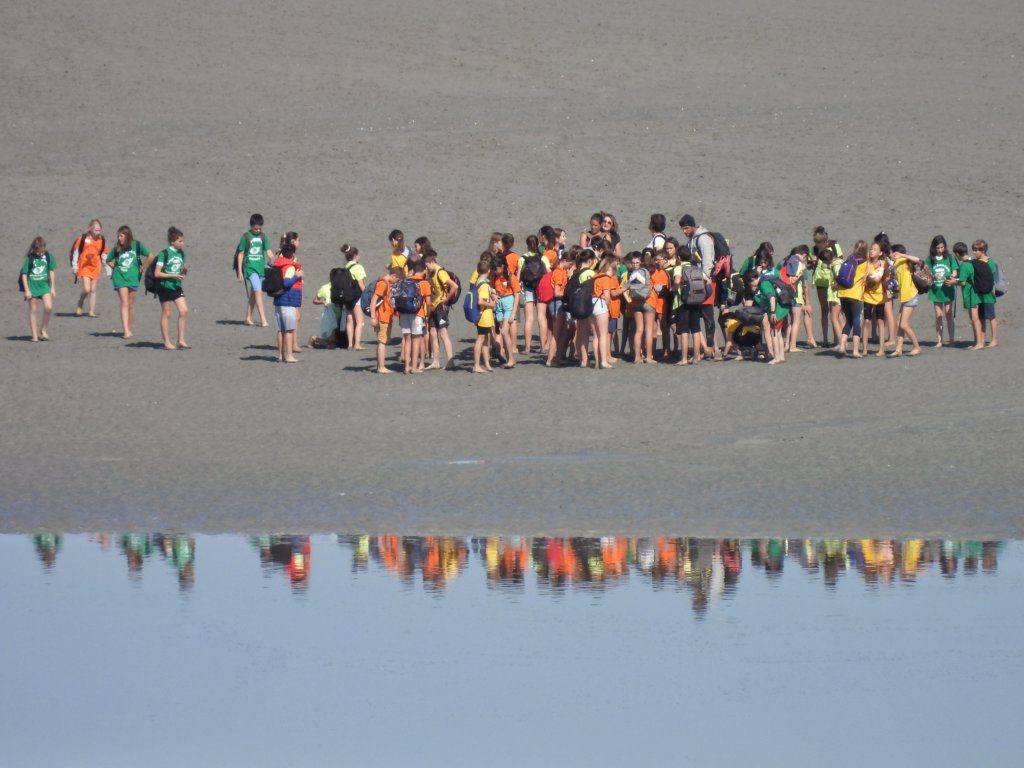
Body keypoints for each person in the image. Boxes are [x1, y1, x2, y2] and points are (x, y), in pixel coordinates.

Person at [679, 215, 718, 355]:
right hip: (696, 281)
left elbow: (708, 261)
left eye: (686, 228)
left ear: (692, 226)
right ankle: (705, 349)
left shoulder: (703, 239)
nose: (684, 231)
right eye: (682, 229)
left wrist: (705, 278)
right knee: (698, 314)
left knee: (708, 315)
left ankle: (712, 347)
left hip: (706, 281)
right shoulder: (693, 239)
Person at [106, 226, 149, 339]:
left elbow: (151, 256)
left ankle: (129, 329)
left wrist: (142, 267)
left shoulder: (137, 245)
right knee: (124, 303)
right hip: (120, 277)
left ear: (127, 235)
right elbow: (108, 260)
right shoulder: (117, 247)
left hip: (133, 278)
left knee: (130, 304)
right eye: (118, 236)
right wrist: (115, 267)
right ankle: (125, 330)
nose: (119, 238)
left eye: (121, 236)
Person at [153, 226, 190, 350]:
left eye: (182, 240)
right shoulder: (164, 253)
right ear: (172, 242)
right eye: (180, 241)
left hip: (176, 286)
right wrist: (173, 275)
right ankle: (167, 342)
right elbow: (157, 273)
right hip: (164, 286)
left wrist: (183, 272)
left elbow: (181, 272)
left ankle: (181, 340)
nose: (182, 243)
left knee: (184, 310)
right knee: (167, 313)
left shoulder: (181, 254)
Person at [235, 213, 273, 327]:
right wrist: (240, 272)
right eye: (256, 228)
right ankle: (263, 319)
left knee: (254, 293)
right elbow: (241, 254)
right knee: (258, 291)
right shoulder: (246, 237)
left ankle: (248, 317)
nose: (257, 230)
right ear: (251, 226)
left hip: (261, 268)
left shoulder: (263, 237)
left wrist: (276, 259)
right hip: (250, 268)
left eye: (260, 228)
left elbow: (269, 252)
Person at [424, 250, 458, 370]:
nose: (426, 267)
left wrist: (446, 299)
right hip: (432, 306)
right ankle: (436, 361)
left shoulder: (440, 272)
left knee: (443, 333)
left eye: (427, 264)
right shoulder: (430, 272)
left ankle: (450, 361)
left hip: (441, 306)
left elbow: (454, 286)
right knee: (433, 333)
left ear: (432, 261)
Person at [271, 239, 303, 362]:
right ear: (293, 254)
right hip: (288, 301)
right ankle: (289, 355)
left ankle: (281, 355)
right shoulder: (289, 266)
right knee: (289, 330)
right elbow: (286, 282)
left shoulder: (278, 264)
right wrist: (297, 276)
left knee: (280, 330)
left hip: (279, 300)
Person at [810, 226, 843, 345]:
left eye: (820, 243)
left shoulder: (834, 246)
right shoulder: (814, 249)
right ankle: (825, 339)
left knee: (835, 311)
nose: (818, 245)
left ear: (825, 240)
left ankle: (838, 339)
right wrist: (812, 262)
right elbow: (811, 266)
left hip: (832, 282)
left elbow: (840, 261)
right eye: (816, 242)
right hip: (820, 282)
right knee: (824, 310)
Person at [889, 244, 924, 357]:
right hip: (904, 297)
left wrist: (902, 255)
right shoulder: (895, 264)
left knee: (903, 324)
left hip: (910, 295)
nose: (890, 255)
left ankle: (917, 347)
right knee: (899, 323)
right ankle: (898, 349)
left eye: (891, 252)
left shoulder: (903, 260)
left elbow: (919, 260)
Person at [398, 261, 432, 374]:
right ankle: (414, 367)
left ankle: (406, 367)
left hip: (403, 312)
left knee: (407, 340)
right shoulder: (424, 283)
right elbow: (428, 302)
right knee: (416, 340)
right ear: (423, 270)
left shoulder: (405, 280)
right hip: (417, 313)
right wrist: (428, 314)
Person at [674, 250, 707, 365]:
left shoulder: (679, 268)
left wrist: (674, 288)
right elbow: (708, 281)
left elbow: (677, 280)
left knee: (684, 330)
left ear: (678, 257)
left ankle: (683, 359)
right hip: (697, 301)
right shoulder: (697, 268)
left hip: (683, 302)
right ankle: (696, 357)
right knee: (696, 329)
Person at [20, 236, 55, 342]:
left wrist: (52, 287)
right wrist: (27, 290)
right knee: (33, 310)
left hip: (45, 286)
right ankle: (34, 336)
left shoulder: (48, 256)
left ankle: (43, 330)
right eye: (38, 252)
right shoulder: (29, 259)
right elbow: (24, 274)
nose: (40, 254)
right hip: (32, 287)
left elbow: (51, 271)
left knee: (48, 307)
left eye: (42, 251)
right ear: (34, 249)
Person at [836, 240, 868, 358]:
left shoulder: (849, 259)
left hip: (843, 293)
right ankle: (855, 351)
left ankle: (842, 346)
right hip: (855, 294)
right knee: (856, 321)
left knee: (848, 320)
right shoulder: (865, 263)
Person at [71, 219, 108, 317]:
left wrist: (107, 267)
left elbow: (104, 254)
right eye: (96, 230)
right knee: (87, 289)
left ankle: (91, 311)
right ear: (91, 229)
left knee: (93, 290)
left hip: (96, 266)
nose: (98, 232)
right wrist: (75, 266)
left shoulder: (101, 240)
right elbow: (76, 252)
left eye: (99, 230)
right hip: (84, 266)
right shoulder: (83, 239)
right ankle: (80, 302)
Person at [862, 236, 891, 357]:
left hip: (880, 297)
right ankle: (864, 349)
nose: (871, 251)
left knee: (880, 321)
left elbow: (887, 278)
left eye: (874, 249)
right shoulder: (866, 264)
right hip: (867, 296)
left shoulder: (883, 264)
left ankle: (881, 349)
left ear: (880, 253)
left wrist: (886, 282)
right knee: (867, 321)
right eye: (870, 249)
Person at [926, 235, 957, 346]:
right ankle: (939, 340)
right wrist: (933, 275)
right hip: (936, 290)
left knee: (948, 314)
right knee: (938, 315)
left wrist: (950, 276)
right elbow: (927, 272)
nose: (940, 250)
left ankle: (952, 340)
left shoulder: (950, 257)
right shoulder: (930, 259)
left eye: (942, 247)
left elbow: (954, 271)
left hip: (947, 289)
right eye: (937, 248)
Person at [545, 250, 574, 367]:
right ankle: (550, 359)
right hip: (557, 303)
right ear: (565, 261)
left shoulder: (562, 271)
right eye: (570, 264)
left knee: (562, 331)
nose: (571, 266)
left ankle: (557, 357)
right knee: (557, 332)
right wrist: (569, 294)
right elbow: (557, 292)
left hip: (559, 303)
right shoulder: (558, 272)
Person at [370, 267, 402, 373]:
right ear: (393, 276)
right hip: (381, 317)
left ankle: (380, 365)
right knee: (382, 342)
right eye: (396, 280)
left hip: (385, 316)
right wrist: (373, 317)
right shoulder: (383, 283)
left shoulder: (386, 283)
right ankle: (381, 367)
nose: (396, 283)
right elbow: (373, 300)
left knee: (382, 341)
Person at [969, 239, 999, 349]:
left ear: (983, 250)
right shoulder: (975, 261)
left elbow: (988, 277)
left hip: (988, 294)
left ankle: (994, 339)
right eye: (973, 250)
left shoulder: (989, 262)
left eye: (977, 250)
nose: (974, 252)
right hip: (979, 294)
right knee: (981, 317)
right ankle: (981, 340)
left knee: (991, 316)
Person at [592, 257, 621, 369]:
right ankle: (604, 361)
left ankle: (597, 361)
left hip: (592, 304)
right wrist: (608, 306)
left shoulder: (595, 276)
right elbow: (608, 297)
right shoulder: (606, 279)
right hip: (601, 305)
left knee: (595, 336)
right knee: (603, 334)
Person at [492, 256, 520, 368]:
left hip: (509, 303)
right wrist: (493, 294)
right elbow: (492, 288)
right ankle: (506, 357)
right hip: (499, 304)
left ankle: (511, 359)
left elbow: (517, 295)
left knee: (504, 332)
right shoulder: (495, 277)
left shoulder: (511, 277)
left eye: (496, 269)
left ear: (502, 267)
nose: (495, 271)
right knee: (500, 332)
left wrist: (513, 313)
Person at [341, 244, 367, 350]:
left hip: (347, 298)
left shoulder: (345, 267)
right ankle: (357, 344)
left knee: (350, 320)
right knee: (359, 321)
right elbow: (361, 284)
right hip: (356, 297)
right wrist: (366, 294)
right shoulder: (358, 267)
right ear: (355, 256)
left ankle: (350, 344)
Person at [472, 260, 496, 373]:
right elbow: (481, 301)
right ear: (489, 271)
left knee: (486, 340)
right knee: (481, 339)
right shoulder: (484, 285)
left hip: (483, 316)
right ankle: (476, 365)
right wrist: (491, 304)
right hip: (483, 316)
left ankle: (486, 364)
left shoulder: (478, 281)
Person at [309, 268, 343, 349]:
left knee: (339, 342)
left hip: (340, 315)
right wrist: (323, 302)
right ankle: (314, 338)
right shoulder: (325, 288)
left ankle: (324, 340)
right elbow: (315, 300)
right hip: (330, 316)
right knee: (332, 344)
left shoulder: (341, 287)